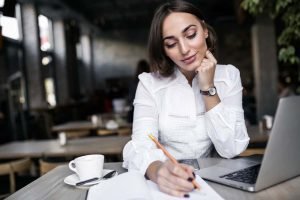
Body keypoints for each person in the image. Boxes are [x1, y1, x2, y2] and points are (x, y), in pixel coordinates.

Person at [123, 0, 249, 198]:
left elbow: (231, 149)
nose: (184, 49)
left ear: (205, 30)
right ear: (163, 49)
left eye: (191, 35)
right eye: (171, 44)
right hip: (167, 183)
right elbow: (139, 146)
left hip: (217, 183)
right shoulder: (149, 84)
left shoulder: (229, 76)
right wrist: (158, 170)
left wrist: (208, 87)